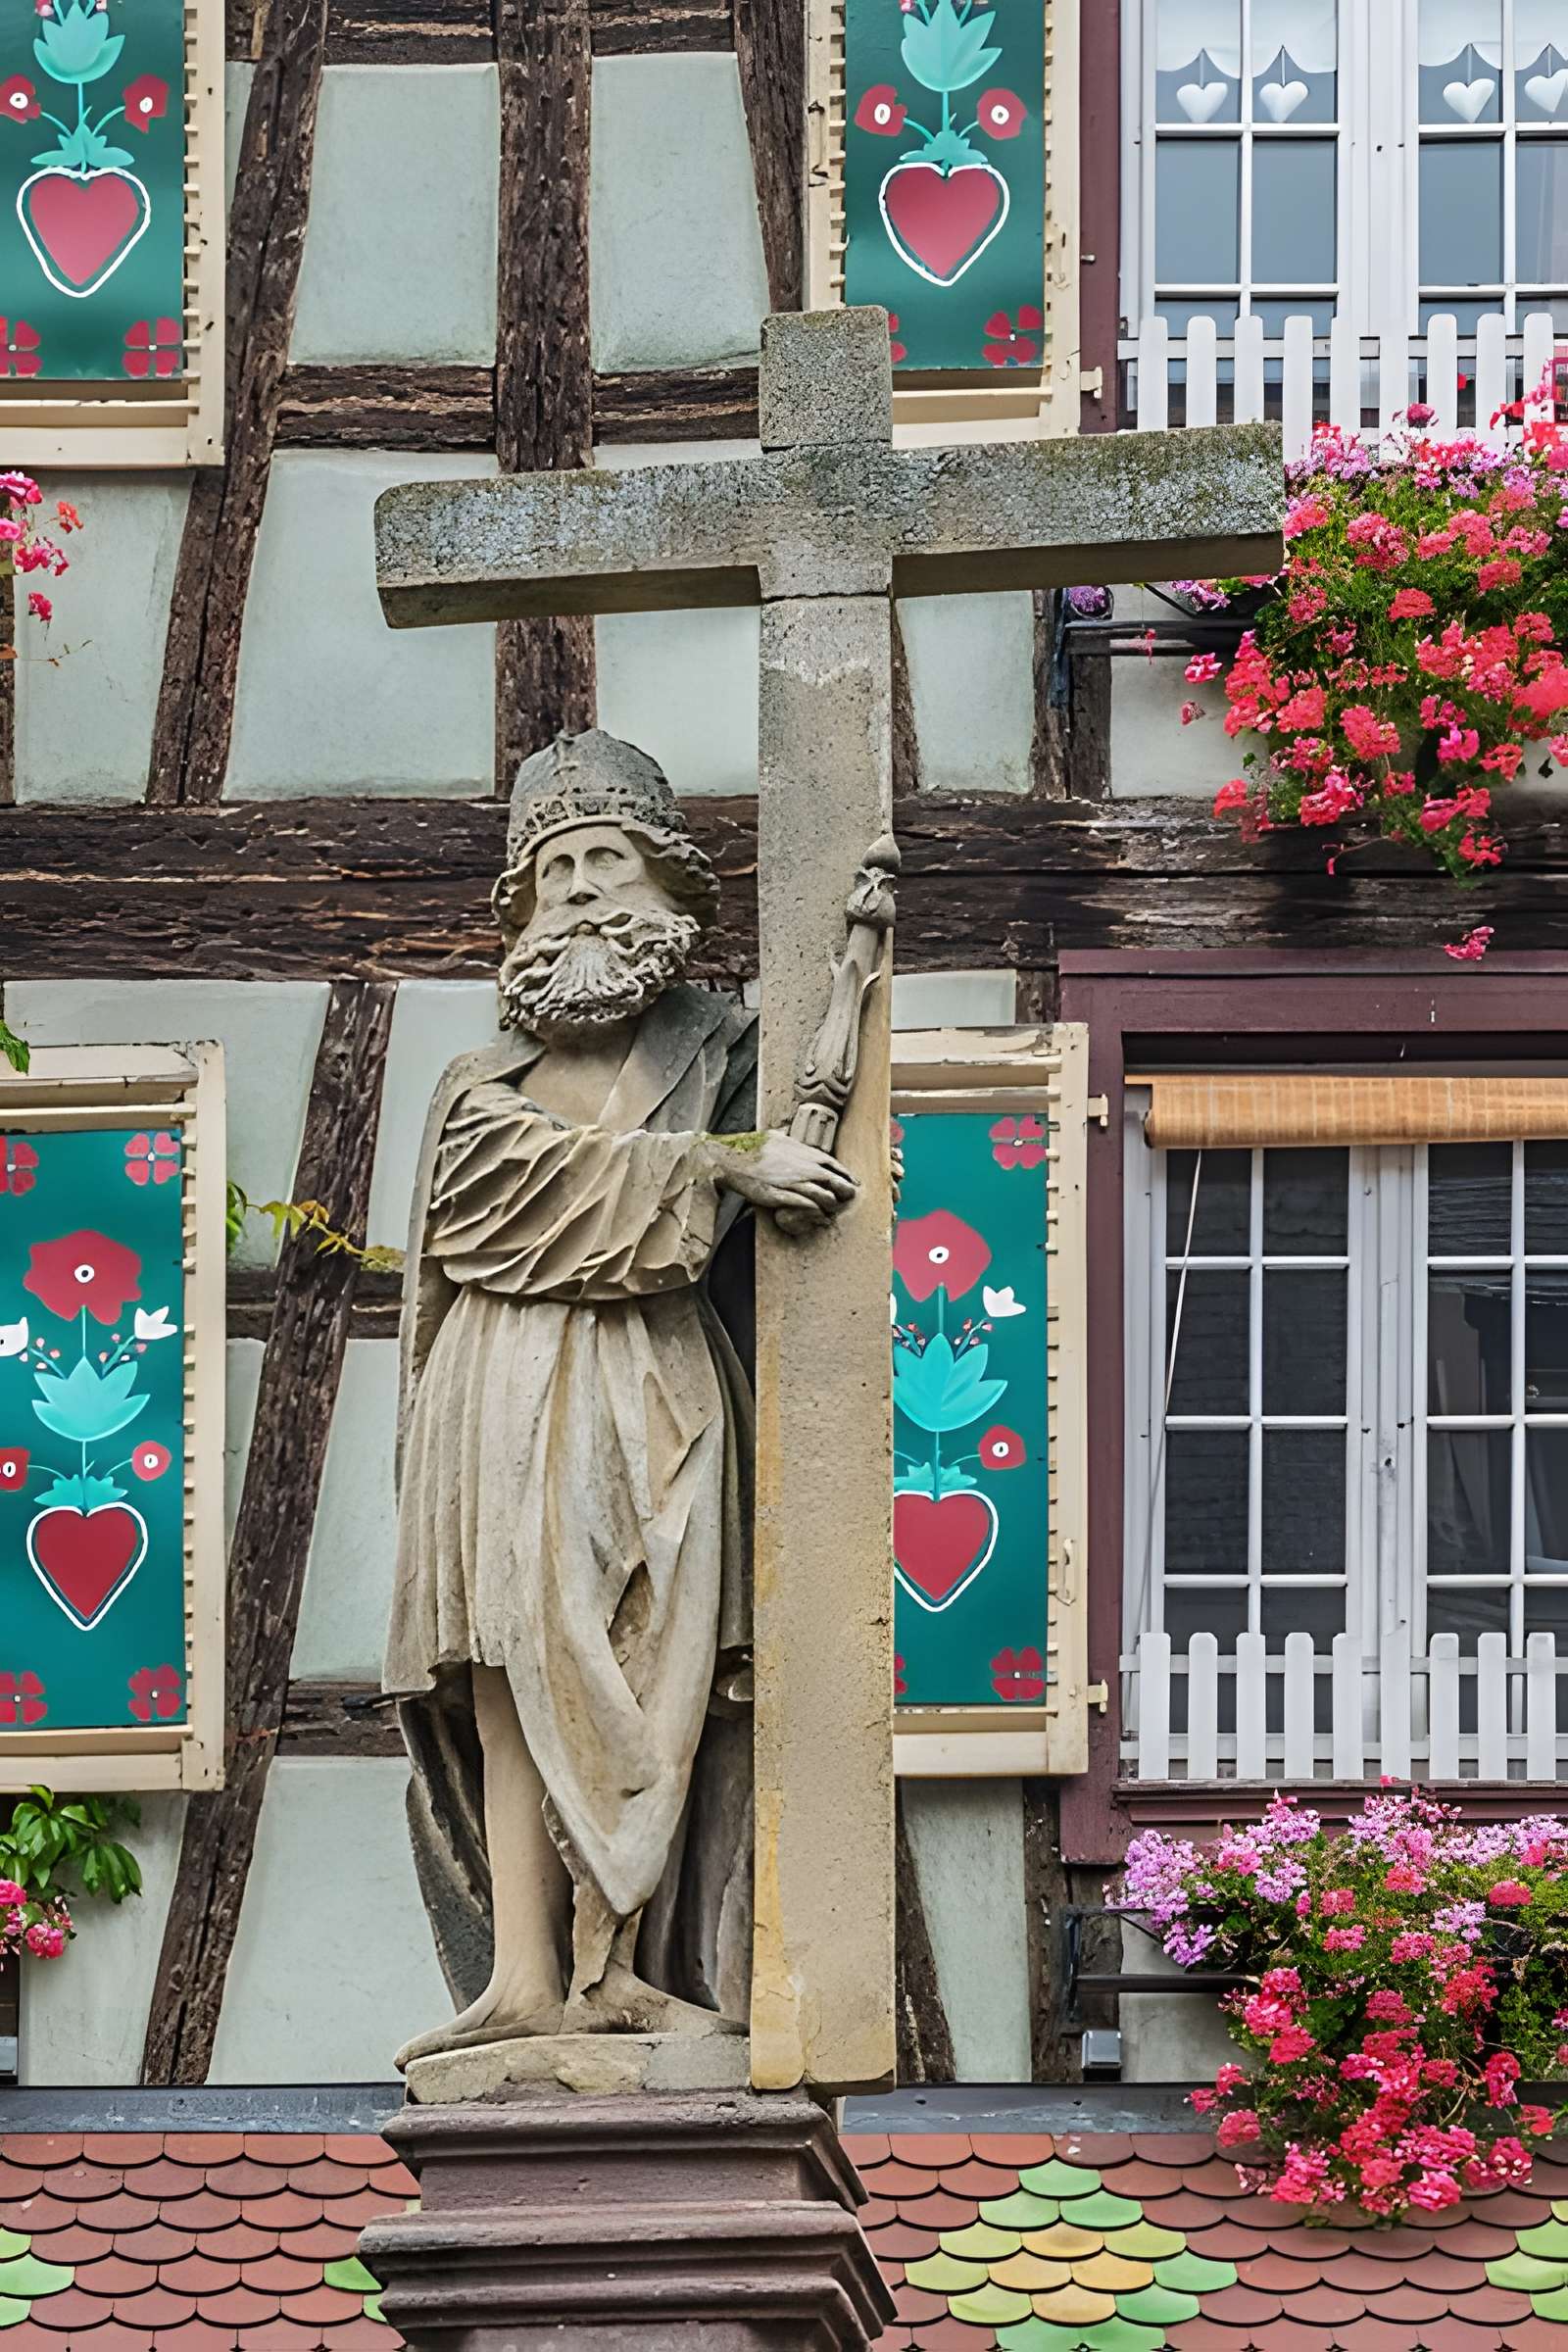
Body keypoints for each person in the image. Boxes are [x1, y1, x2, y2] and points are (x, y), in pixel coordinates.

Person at [385, 730, 857, 2065]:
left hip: (653, 1387)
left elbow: (803, 1182)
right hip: (495, 1391)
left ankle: (628, 1970)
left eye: (609, 861)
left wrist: (766, 1151)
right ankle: (524, 1977)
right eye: (558, 871)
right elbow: (491, 1205)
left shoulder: (726, 1049)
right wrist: (718, 1167)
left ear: (668, 886)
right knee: (505, 1661)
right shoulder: (477, 1087)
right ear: (524, 911)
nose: (584, 889)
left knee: (656, 1658)